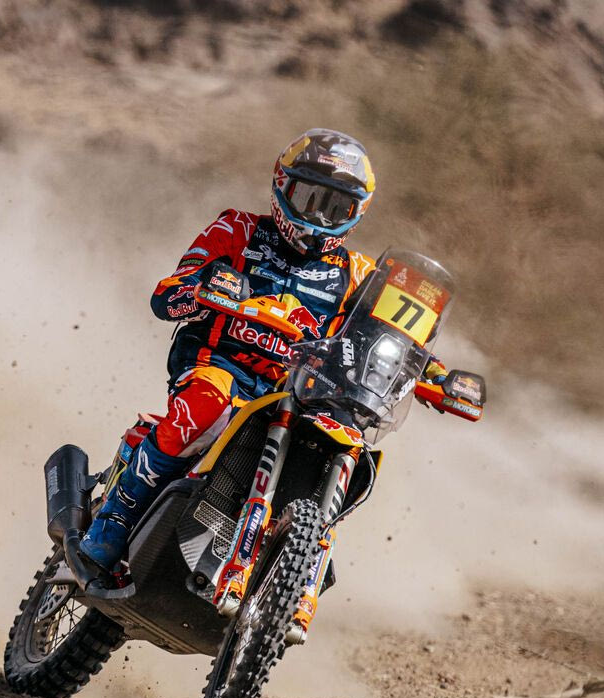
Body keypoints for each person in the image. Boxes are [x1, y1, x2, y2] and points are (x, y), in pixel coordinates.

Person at [80, 128, 447, 571]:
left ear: (357, 212)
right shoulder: (237, 229)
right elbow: (166, 296)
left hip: (302, 392)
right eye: (308, 197)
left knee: (344, 447)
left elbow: (400, 339)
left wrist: (437, 375)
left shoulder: (360, 275)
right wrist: (202, 288)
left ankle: (296, 562)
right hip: (219, 365)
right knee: (208, 405)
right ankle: (115, 517)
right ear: (282, 185)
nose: (318, 215)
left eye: (335, 207)